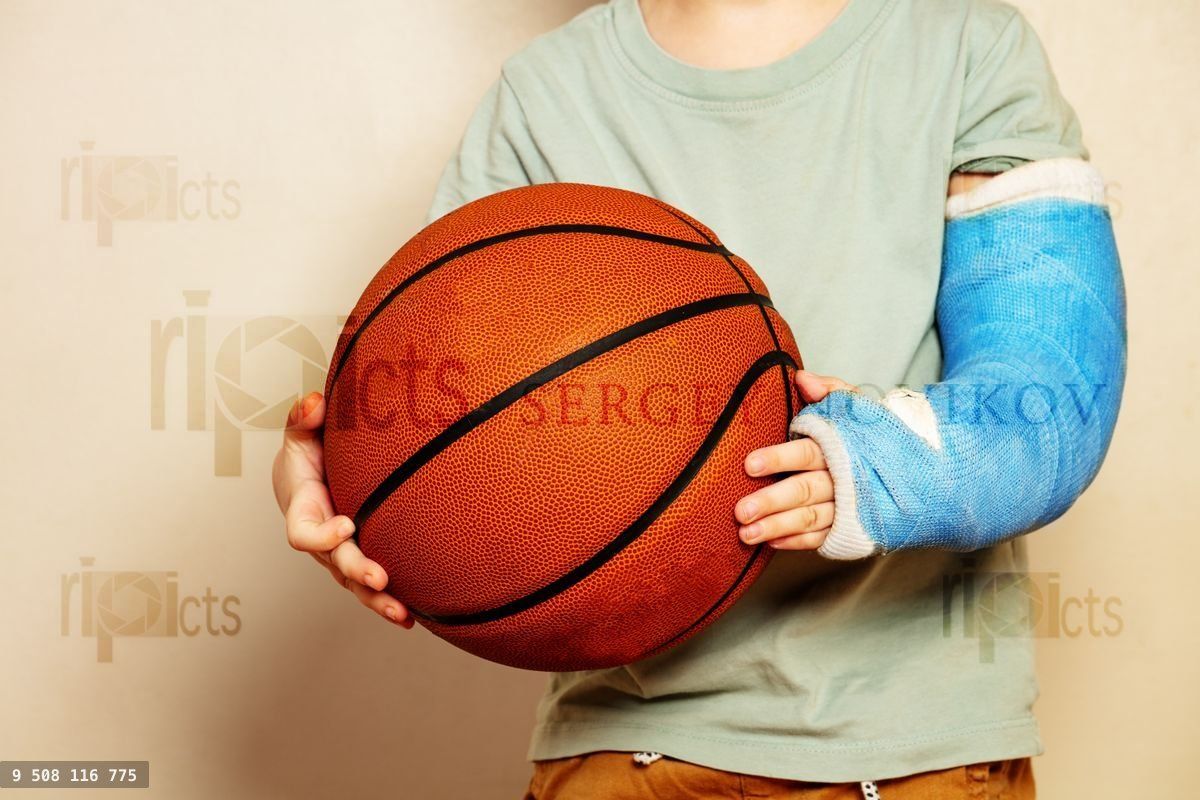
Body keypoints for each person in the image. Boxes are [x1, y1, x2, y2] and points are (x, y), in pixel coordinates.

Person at [272, 0, 1126, 797]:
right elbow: (449, 408)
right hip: (621, 741)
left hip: (911, 748)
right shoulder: (543, 94)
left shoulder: (964, 41)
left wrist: (877, 467)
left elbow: (1050, 406)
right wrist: (346, 462)